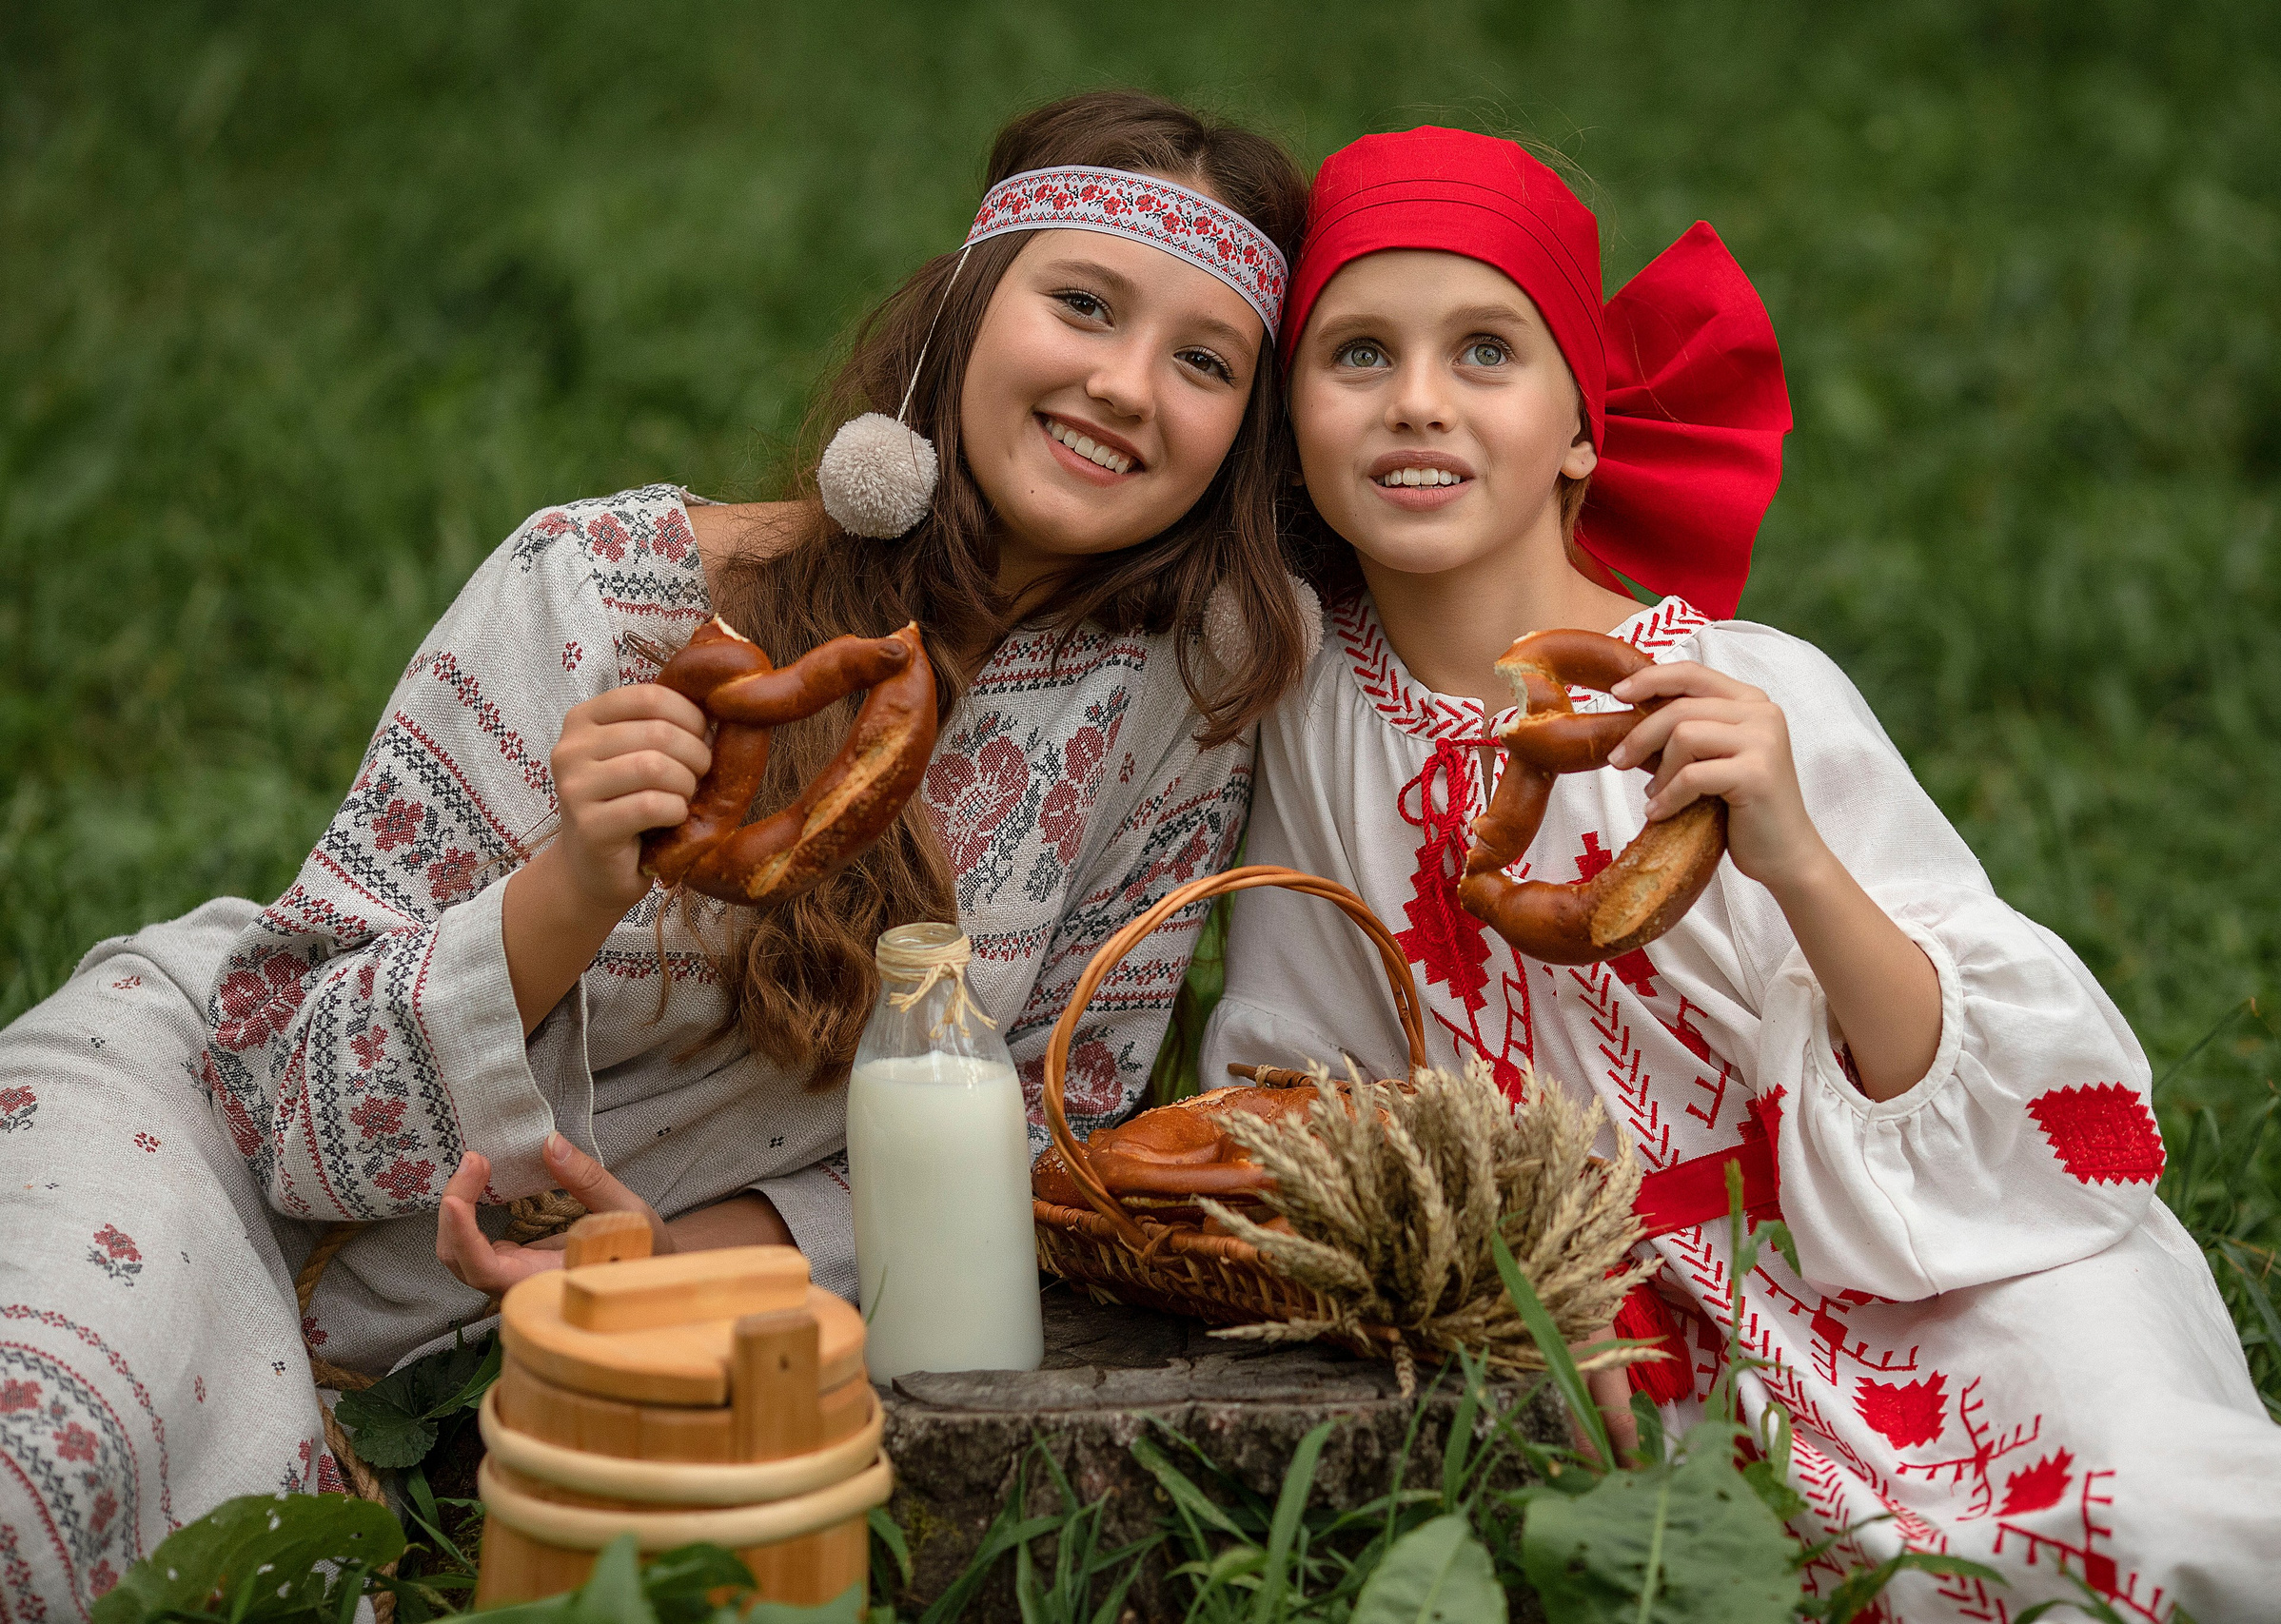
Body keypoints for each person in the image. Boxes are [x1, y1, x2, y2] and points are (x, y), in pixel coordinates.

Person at [0, 88, 1308, 1614]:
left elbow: (1045, 1132)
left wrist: (666, 1266)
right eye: (1082, 304)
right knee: (47, 1457)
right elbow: (281, 1091)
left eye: (1204, 361)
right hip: (207, 1156)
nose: (1126, 385)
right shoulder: (597, 595)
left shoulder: (1173, 721)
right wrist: (569, 887)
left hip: (570, 1321)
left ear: (1237, 437)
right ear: (964, 313)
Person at [1203, 126, 2281, 1623]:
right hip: (1611, 1324)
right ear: (1293, 423)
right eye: (1356, 355)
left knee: (2173, 1519)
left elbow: (1964, 1075)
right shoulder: (1308, 726)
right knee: (1835, 1585)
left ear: (1585, 423)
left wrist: (1789, 852)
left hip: (1930, 1255)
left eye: (1483, 351)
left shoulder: (1739, 695)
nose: (1417, 402)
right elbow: (1314, 1078)